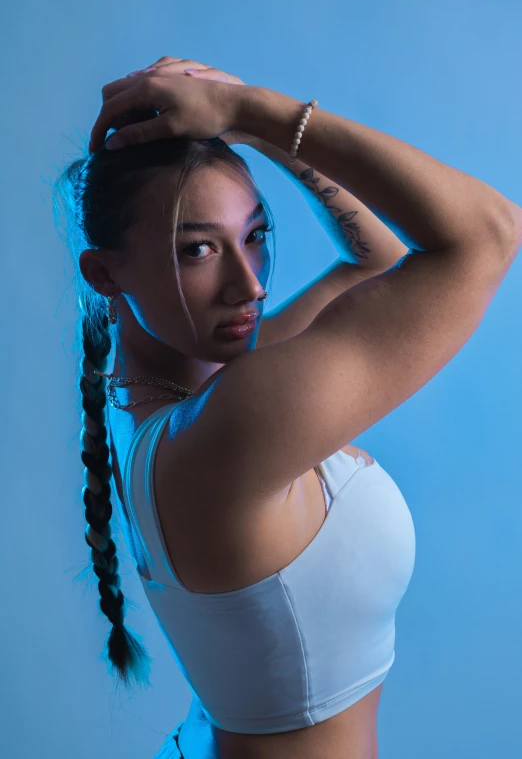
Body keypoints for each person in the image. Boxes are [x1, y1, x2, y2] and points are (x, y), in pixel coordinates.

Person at [53, 56, 521, 759]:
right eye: (199, 249)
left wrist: (254, 132)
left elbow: (374, 261)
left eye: (255, 234)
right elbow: (487, 235)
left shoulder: (162, 404)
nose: (248, 285)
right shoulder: (224, 429)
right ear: (105, 272)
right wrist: (257, 114)